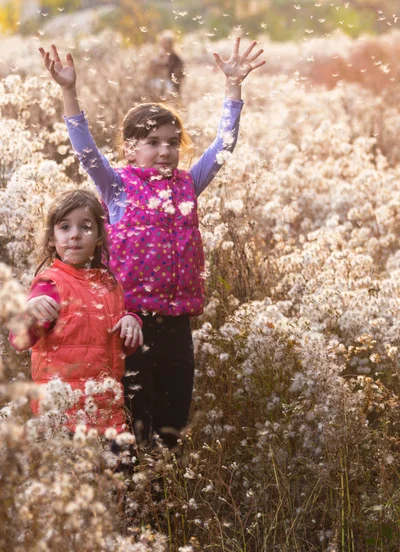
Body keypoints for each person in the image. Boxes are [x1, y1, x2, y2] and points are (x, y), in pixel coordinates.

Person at [39, 37, 265, 450]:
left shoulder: (187, 186)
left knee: (171, 425)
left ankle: (162, 504)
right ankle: (133, 501)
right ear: (130, 148)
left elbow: (224, 147)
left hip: (178, 327)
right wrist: (68, 90)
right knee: (132, 425)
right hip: (129, 325)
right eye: (153, 142)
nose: (165, 151)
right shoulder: (117, 188)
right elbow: (85, 149)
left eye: (173, 143)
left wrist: (233, 88)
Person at [9, 189, 143, 435]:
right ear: (51, 238)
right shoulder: (50, 283)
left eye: (85, 227)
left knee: (117, 473)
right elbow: (20, 341)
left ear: (100, 237)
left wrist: (130, 322)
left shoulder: (110, 284)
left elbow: (121, 348)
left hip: (108, 414)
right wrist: (28, 314)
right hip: (61, 415)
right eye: (65, 227)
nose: (75, 235)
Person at [149, 30, 185, 101]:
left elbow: (180, 75)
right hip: (157, 87)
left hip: (171, 87)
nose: (164, 45)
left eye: (166, 43)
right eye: (162, 42)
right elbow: (151, 72)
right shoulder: (157, 57)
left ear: (171, 44)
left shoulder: (176, 58)